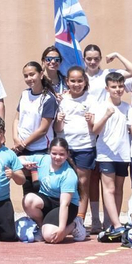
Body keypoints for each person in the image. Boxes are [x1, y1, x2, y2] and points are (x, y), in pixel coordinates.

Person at [54, 66, 97, 234]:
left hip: (85, 145)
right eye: (73, 81)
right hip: (65, 147)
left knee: (82, 183)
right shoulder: (62, 100)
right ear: (67, 82)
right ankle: (63, 218)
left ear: (85, 81)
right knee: (64, 183)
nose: (76, 84)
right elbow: (57, 127)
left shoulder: (91, 99)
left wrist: (90, 121)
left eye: (80, 81)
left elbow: (95, 127)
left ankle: (79, 220)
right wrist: (59, 121)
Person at [92, 71, 132, 239]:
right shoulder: (100, 106)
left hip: (123, 154)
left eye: (120, 86)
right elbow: (95, 130)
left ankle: (112, 223)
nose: (118, 90)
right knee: (109, 189)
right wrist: (107, 116)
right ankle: (116, 224)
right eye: (114, 87)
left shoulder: (127, 107)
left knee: (119, 190)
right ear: (107, 88)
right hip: (106, 154)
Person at [24, 138, 79, 244]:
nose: (57, 157)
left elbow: (65, 205)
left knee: (50, 237)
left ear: (67, 154)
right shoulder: (43, 159)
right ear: (49, 152)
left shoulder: (69, 174)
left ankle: (74, 225)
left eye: (62, 154)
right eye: (54, 153)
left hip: (67, 206)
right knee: (28, 199)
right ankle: (41, 228)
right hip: (48, 201)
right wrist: (26, 163)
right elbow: (20, 159)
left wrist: (62, 229)